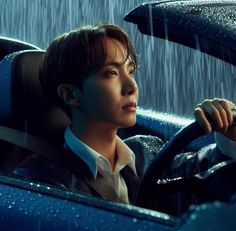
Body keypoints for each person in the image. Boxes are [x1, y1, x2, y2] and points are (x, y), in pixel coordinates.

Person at [13, 23, 236, 213]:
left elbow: (205, 174)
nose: (131, 87)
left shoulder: (146, 151)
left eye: (130, 71)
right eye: (111, 73)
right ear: (71, 94)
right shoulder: (40, 185)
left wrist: (229, 135)